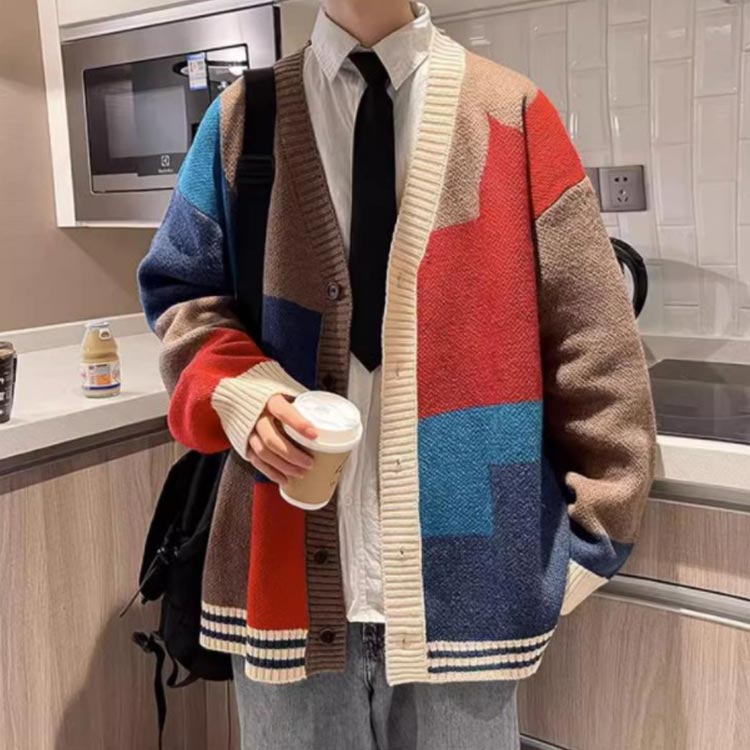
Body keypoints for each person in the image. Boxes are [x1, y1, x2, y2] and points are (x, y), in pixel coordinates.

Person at [137, 1, 656, 747]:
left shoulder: (513, 116)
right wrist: (244, 393)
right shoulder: (243, 118)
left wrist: (576, 556)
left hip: (473, 601)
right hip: (283, 588)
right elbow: (182, 296)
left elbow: (597, 348)